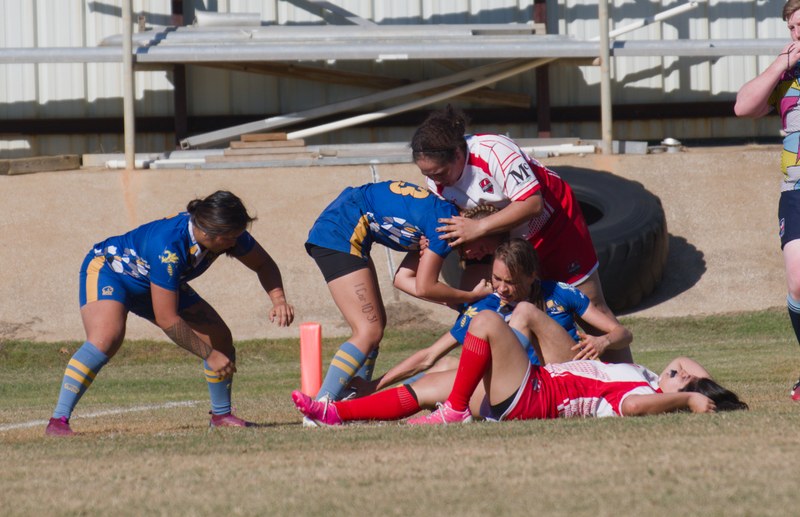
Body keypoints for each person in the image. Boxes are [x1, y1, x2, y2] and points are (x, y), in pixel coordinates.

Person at [46, 191, 294, 436]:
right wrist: (209, 355)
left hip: (154, 280)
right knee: (106, 338)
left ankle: (221, 416)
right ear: (208, 232)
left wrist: (279, 300)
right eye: (230, 238)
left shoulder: (227, 233)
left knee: (219, 336)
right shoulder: (168, 247)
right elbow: (167, 319)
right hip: (110, 270)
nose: (235, 243)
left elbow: (263, 263)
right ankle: (58, 421)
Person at [291, 304, 747, 427]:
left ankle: (453, 412)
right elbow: (681, 363)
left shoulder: (643, 394)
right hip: (534, 387)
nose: (685, 370)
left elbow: (633, 410)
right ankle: (333, 413)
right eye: (690, 375)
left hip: (533, 396)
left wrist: (688, 397)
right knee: (430, 383)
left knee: (488, 321)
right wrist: (698, 387)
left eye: (690, 378)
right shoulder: (645, 375)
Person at [410, 106, 629, 361]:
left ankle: (632, 381)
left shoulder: (494, 151)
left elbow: (532, 204)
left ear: (458, 154)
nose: (435, 181)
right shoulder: (436, 182)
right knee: (476, 312)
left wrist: (479, 227)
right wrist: (428, 240)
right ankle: (500, 389)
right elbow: (451, 225)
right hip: (504, 241)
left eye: (439, 173)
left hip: (553, 227)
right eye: (426, 174)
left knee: (593, 311)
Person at [352, 238, 632, 397]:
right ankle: (373, 400)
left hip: (563, 379)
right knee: (446, 364)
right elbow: (429, 354)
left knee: (524, 313)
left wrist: (604, 341)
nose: (501, 289)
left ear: (533, 275)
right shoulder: (486, 306)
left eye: (510, 282)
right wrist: (375, 383)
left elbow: (623, 333)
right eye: (496, 279)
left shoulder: (559, 292)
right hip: (521, 382)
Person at [305, 180, 493, 403]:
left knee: (374, 329)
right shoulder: (444, 230)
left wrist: (455, 302)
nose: (479, 256)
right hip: (338, 230)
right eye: (481, 247)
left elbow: (403, 280)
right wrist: (471, 297)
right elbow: (425, 286)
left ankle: (350, 403)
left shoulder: (441, 221)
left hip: (340, 226)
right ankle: (321, 406)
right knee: (368, 330)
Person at [735, 0, 800, 400]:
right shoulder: (786, 72)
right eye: (793, 28)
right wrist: (781, 63)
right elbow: (744, 106)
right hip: (797, 189)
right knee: (798, 280)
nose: (799, 34)